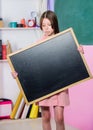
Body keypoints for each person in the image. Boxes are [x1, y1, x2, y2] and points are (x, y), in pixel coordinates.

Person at [12, 10, 84, 130]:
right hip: (44, 86)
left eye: (49, 25)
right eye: (44, 25)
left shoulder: (64, 40)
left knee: (59, 118)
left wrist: (78, 52)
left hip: (60, 85)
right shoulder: (37, 45)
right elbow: (31, 67)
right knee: (45, 116)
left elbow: (71, 60)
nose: (46, 28)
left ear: (54, 24)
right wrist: (17, 73)